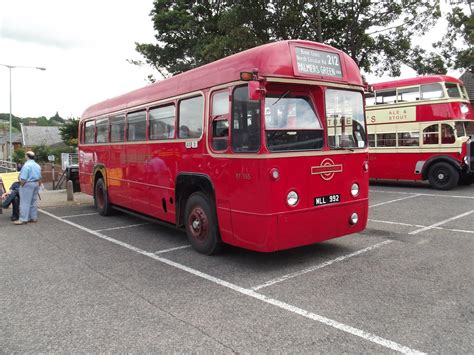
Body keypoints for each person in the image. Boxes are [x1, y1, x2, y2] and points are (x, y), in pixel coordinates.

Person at [14, 151, 42, 225]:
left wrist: (21, 185)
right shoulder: (37, 165)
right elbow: (39, 177)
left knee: (25, 202)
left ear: (27, 156)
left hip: (27, 184)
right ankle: (33, 217)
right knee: (33, 201)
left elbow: (23, 178)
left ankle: (23, 219)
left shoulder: (26, 165)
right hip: (36, 183)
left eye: (25, 155)